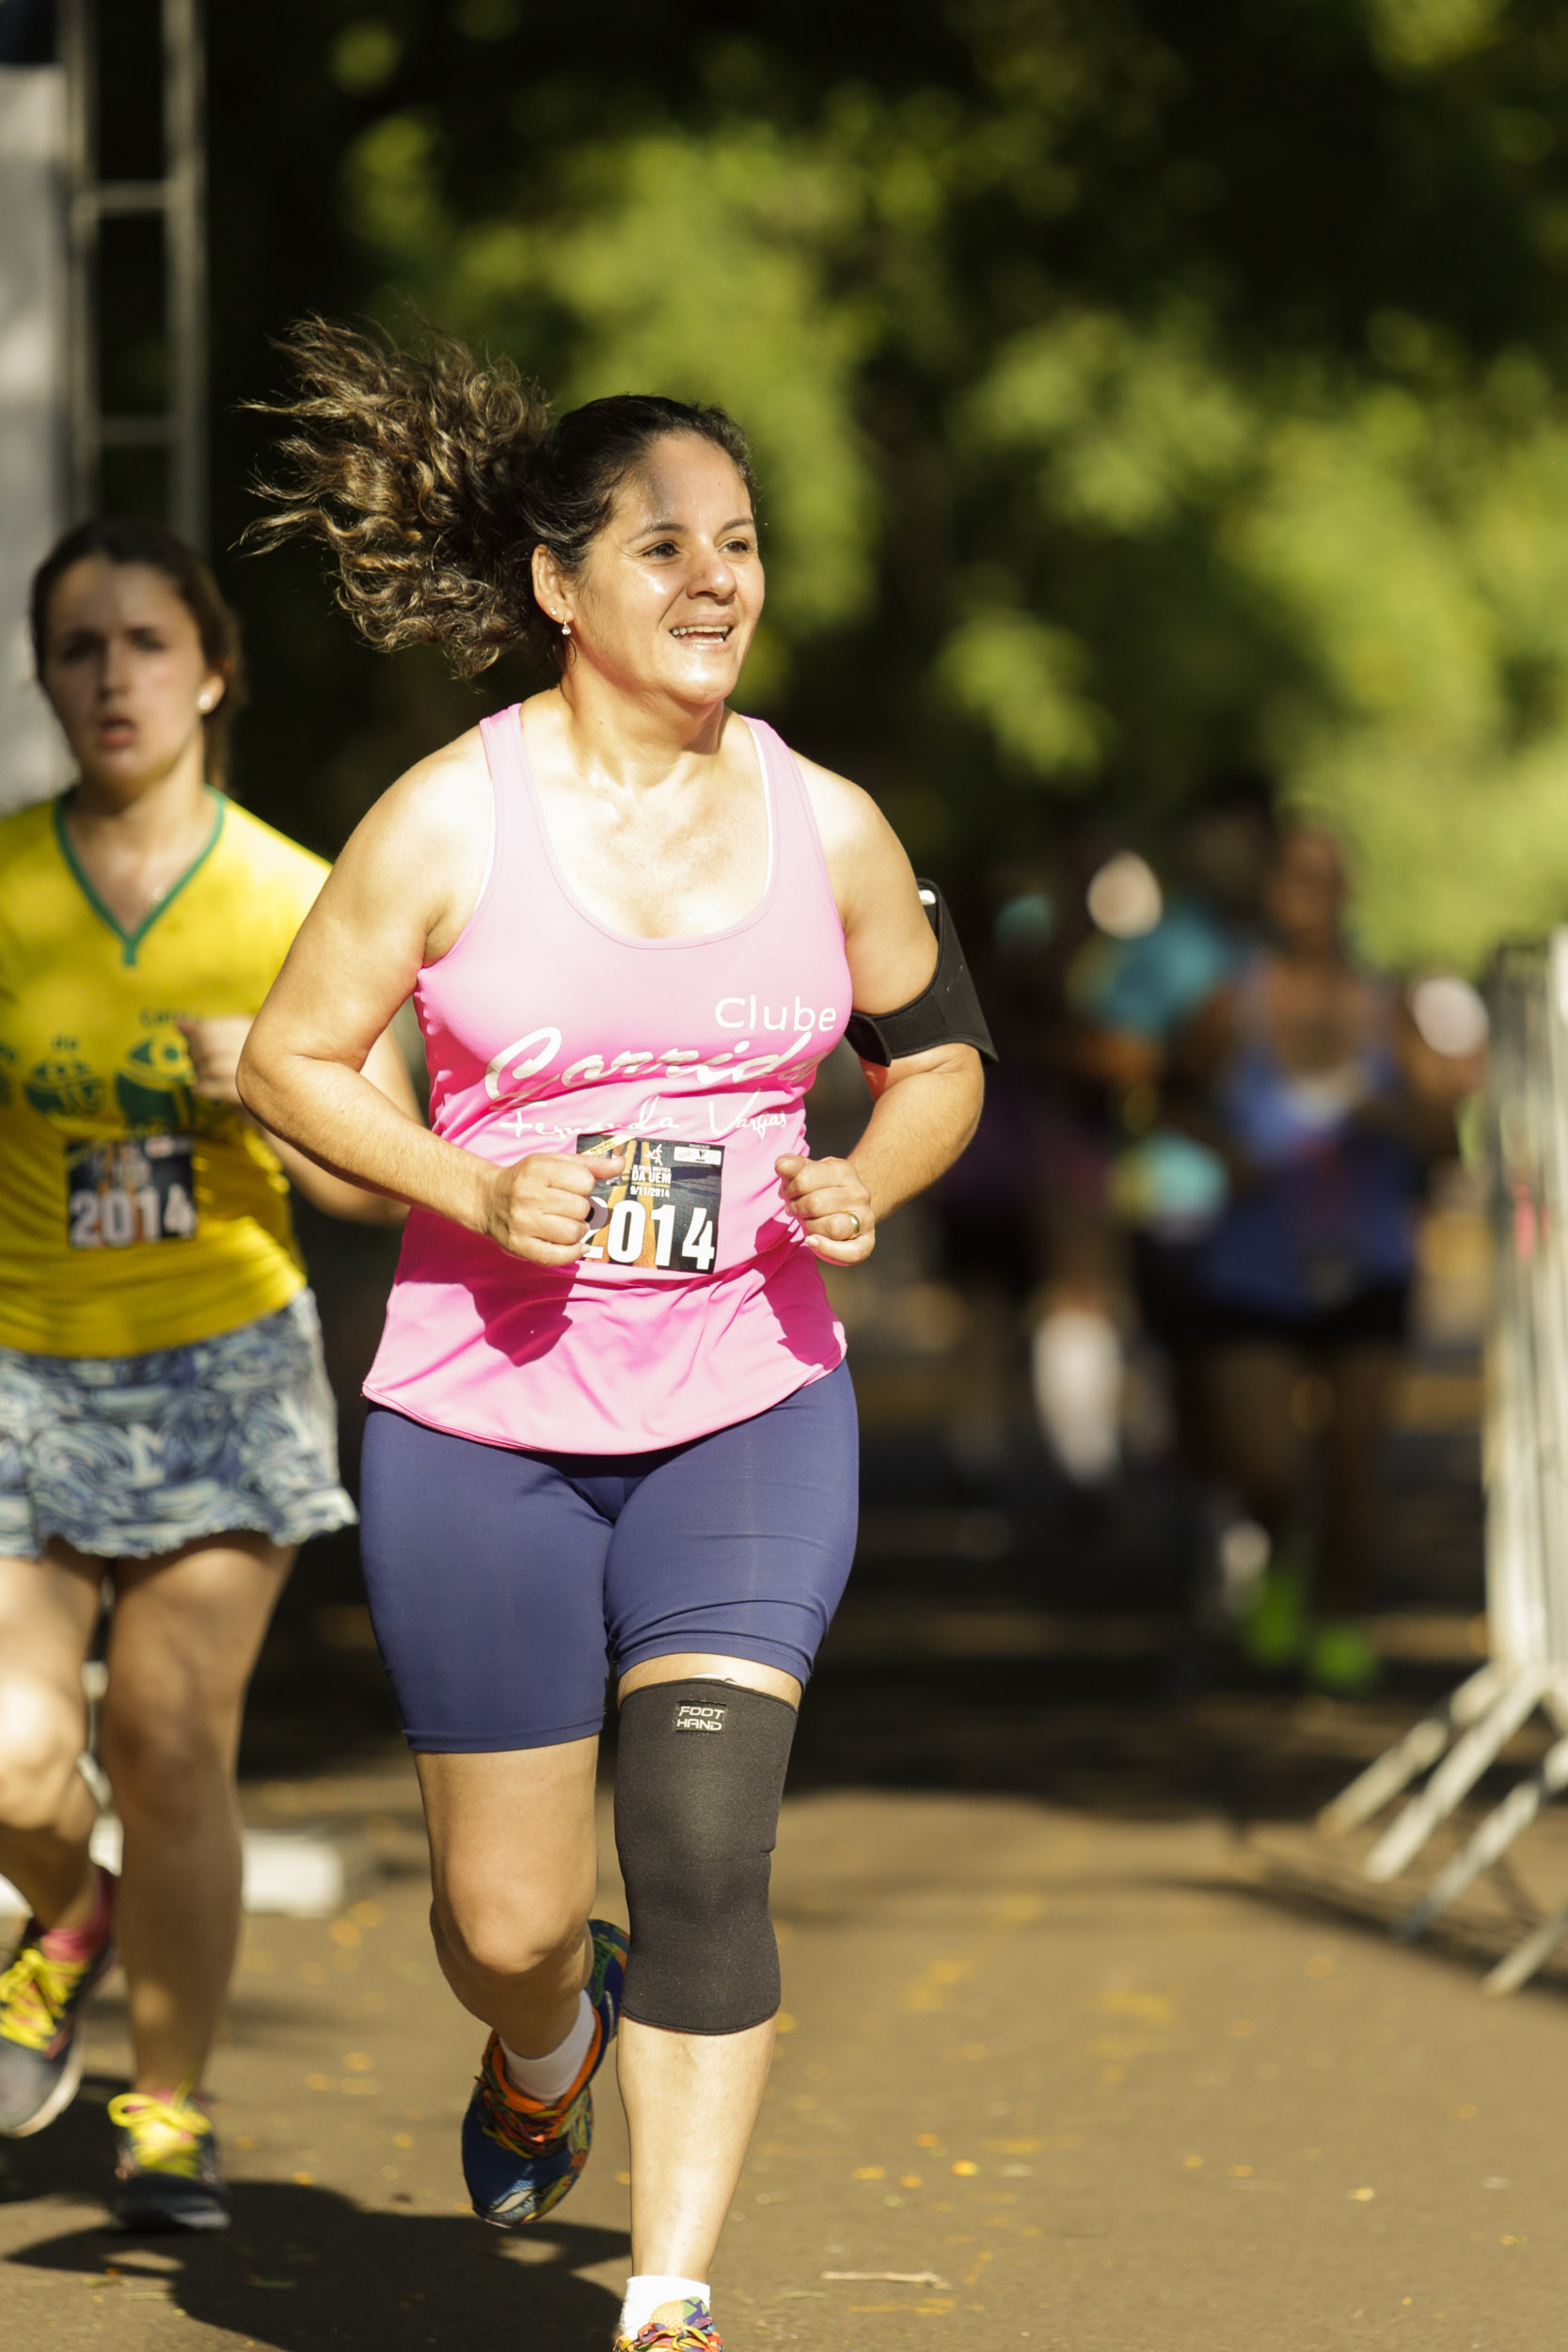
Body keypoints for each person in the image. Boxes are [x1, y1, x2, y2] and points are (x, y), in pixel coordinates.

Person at [237, 319, 990, 2352]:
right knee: (501, 1920)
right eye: (664, 545)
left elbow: (935, 1058)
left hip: (747, 1399)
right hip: (482, 1421)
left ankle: (666, 2289)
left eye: (736, 541)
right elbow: (292, 1063)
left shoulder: (825, 823)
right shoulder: (447, 819)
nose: (715, 579)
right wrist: (468, 1185)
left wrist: (870, 1177)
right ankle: (543, 2041)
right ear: (559, 586)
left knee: (702, 1842)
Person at [0, 519, 420, 2228]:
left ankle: (166, 2109)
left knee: (172, 1747)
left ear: (214, 670)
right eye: (78, 648)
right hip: (24, 1368)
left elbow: (385, 1175)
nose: (114, 677)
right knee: (14, 1754)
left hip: (220, 1371)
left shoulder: (289, 894)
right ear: (45, 678)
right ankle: (68, 1909)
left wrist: (276, 1085)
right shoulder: (8, 882)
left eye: (147, 643)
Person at [1175, 824, 1480, 1691]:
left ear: (1347, 892)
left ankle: (1340, 1620)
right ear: (1268, 892)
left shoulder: (1391, 1005)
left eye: (1323, 880)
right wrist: (1224, 1149)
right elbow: (1168, 1098)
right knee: (1264, 1468)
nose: (1305, 898)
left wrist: (1407, 1114)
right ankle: (1282, 1557)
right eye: (1291, 880)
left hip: (1365, 1266)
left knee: (1351, 1463)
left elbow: (1443, 1143)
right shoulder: (1229, 1003)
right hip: (1253, 1267)